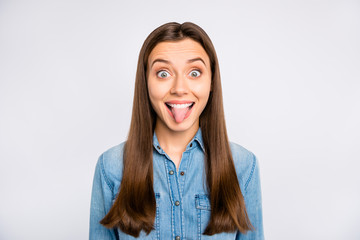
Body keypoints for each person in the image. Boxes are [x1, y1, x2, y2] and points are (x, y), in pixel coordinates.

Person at [90, 22, 264, 240]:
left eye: (194, 72)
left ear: (211, 82)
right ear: (145, 82)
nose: (179, 88)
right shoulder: (111, 167)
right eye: (163, 73)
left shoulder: (243, 165)